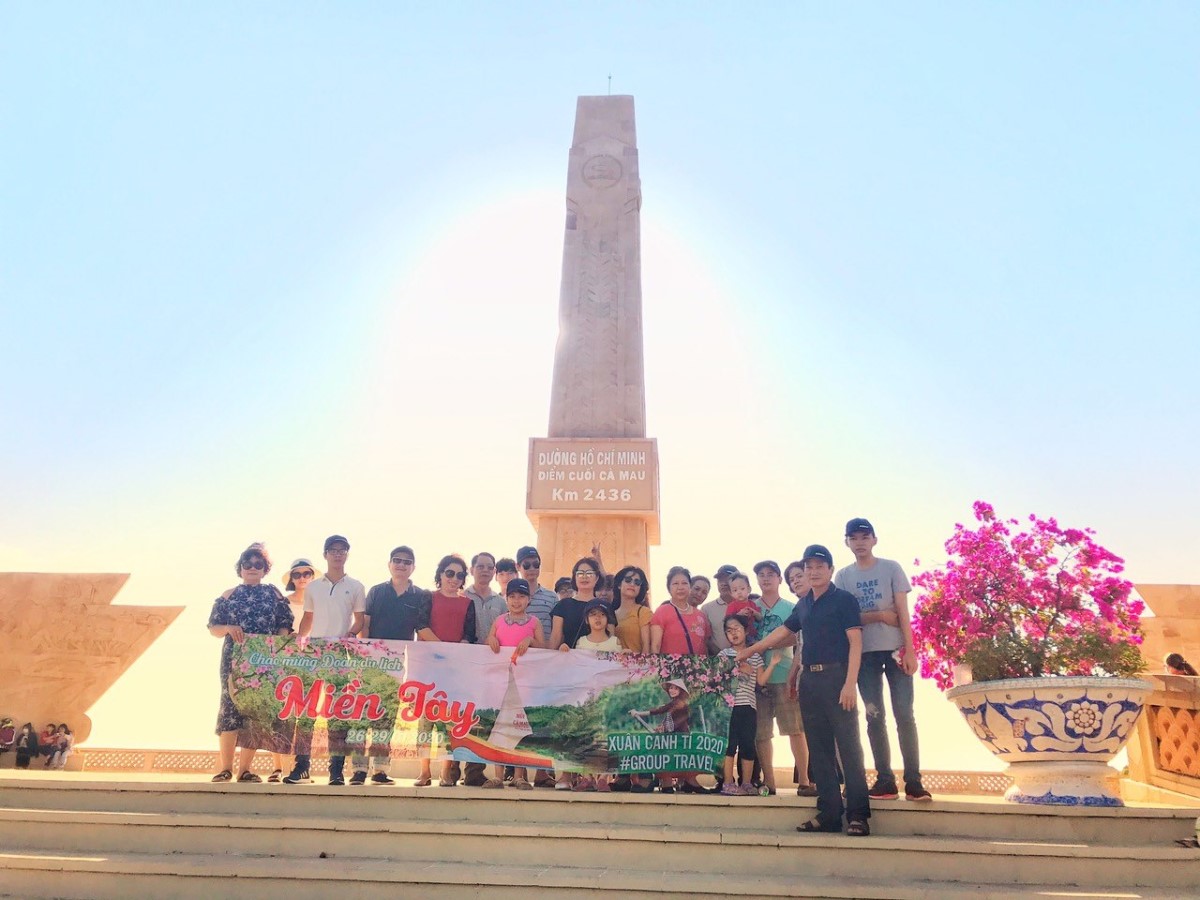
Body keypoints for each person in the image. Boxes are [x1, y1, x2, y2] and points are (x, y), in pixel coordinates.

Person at [740, 544, 871, 836]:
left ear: (830, 570)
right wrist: (752, 649)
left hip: (837, 678)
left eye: (819, 566)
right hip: (809, 681)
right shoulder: (804, 604)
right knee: (819, 751)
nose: (813, 572)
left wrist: (850, 683)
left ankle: (858, 815)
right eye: (808, 567)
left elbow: (856, 643)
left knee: (849, 748)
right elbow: (783, 632)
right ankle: (829, 814)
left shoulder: (844, 600)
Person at [835, 518, 931, 803]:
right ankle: (885, 780)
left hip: (896, 651)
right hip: (864, 655)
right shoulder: (843, 576)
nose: (860, 543)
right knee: (874, 717)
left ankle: (913, 781)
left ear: (874, 539)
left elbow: (902, 611)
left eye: (864, 537)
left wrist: (911, 650)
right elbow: (845, 618)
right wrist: (878, 615)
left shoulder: (891, 568)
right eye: (854, 538)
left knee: (905, 715)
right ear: (847, 542)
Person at [207, 542, 294, 783]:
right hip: (233, 660)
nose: (252, 567)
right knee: (229, 709)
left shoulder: (274, 595)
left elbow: (284, 625)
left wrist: (278, 645)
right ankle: (225, 768)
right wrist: (228, 628)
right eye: (248, 563)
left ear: (265, 569)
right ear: (240, 568)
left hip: (263, 661)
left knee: (255, 713)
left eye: (258, 564)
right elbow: (213, 628)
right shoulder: (229, 595)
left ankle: (244, 769)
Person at [291, 535, 366, 786]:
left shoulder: (356, 586)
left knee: (337, 714)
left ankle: (336, 771)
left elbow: (359, 620)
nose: (337, 554)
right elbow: (308, 618)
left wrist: (351, 635)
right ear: (325, 554)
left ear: (347, 554)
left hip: (340, 653)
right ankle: (302, 767)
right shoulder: (313, 587)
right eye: (333, 550)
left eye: (342, 550)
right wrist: (299, 643)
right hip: (314, 652)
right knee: (307, 711)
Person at [417, 554, 475, 788]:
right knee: (425, 723)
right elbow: (421, 626)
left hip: (454, 672)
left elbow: (469, 634)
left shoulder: (468, 603)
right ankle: (424, 772)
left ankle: (445, 773)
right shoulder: (427, 597)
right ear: (440, 574)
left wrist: (456, 651)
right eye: (449, 573)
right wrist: (443, 649)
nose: (454, 578)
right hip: (428, 669)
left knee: (448, 724)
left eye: (459, 575)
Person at [483, 577, 545, 790]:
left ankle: (519, 775)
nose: (516, 601)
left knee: (520, 726)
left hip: (524, 685)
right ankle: (497, 776)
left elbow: (544, 649)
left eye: (521, 596)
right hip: (501, 684)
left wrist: (530, 640)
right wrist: (491, 640)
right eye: (512, 596)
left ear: (529, 599)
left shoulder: (534, 622)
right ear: (506, 598)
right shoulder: (499, 621)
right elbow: (488, 642)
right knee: (499, 727)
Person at [751, 559, 804, 797]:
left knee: (795, 729)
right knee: (762, 733)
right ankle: (769, 782)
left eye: (770, 574)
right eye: (761, 574)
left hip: (785, 674)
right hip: (757, 677)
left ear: (780, 579)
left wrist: (770, 644)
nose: (766, 578)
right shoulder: (750, 608)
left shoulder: (792, 607)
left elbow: (797, 637)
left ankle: (804, 780)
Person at [513, 546, 560, 788]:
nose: (532, 569)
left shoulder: (551, 597)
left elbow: (555, 629)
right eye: (527, 564)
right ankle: (518, 773)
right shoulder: (511, 596)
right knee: (518, 718)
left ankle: (542, 773)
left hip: (543, 666)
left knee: (543, 719)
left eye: (536, 564)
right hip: (517, 666)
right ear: (518, 567)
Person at [270, 557, 320, 782]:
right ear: (291, 578)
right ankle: (279, 767)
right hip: (287, 662)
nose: (302, 578)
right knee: (284, 714)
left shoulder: (320, 602)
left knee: (307, 715)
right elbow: (278, 630)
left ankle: (301, 766)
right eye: (297, 574)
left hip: (313, 662)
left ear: (313, 576)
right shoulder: (283, 603)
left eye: (306, 573)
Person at [461, 551, 506, 786]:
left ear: (494, 572)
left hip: (492, 667)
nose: (485, 571)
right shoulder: (462, 596)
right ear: (472, 570)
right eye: (481, 566)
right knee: (460, 715)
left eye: (490, 567)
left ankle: (474, 771)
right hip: (465, 665)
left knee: (483, 718)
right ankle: (451, 769)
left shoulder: (501, 602)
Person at [719, 613, 774, 795]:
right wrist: (735, 670)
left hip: (749, 707)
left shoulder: (755, 656)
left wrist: (772, 664)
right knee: (729, 745)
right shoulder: (723, 655)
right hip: (729, 708)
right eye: (729, 631)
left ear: (746, 631)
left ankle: (747, 783)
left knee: (748, 745)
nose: (733, 633)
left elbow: (761, 681)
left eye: (737, 629)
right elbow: (717, 679)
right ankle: (728, 782)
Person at [783, 560, 819, 797]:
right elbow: (800, 645)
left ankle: (846, 784)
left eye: (799, 576)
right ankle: (813, 782)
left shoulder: (826, 601)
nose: (795, 581)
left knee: (835, 730)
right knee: (811, 729)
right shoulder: (800, 608)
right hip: (806, 677)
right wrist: (792, 675)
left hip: (830, 675)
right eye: (792, 579)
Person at [650, 566, 712, 657]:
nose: (680, 587)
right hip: (670, 665)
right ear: (669, 588)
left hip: (698, 665)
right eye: (675, 583)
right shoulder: (662, 611)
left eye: (684, 583)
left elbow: (705, 645)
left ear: (690, 587)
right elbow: (655, 646)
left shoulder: (701, 615)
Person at [550, 557, 602, 652]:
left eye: (589, 573)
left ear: (597, 578)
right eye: (580, 573)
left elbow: (610, 639)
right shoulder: (562, 605)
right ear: (575, 577)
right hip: (568, 658)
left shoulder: (604, 606)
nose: (584, 577)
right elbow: (555, 639)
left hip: (596, 659)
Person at [612, 565, 652, 653]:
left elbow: (647, 645)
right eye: (628, 580)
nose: (632, 584)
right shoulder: (610, 614)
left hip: (638, 661)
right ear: (619, 585)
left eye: (637, 582)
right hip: (613, 661)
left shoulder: (644, 612)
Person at [701, 564, 739, 653]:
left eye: (727, 579)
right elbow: (706, 639)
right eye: (720, 580)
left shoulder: (748, 606)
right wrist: (721, 656)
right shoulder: (707, 609)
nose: (723, 583)